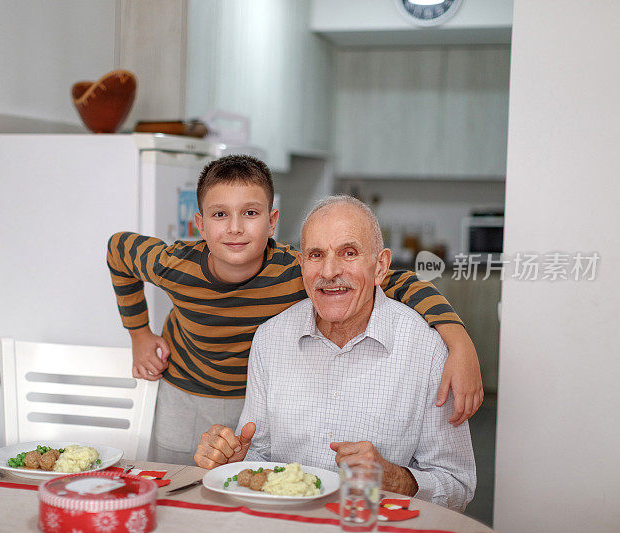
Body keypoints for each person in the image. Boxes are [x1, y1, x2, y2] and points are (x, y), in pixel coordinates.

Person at [106, 155, 482, 465]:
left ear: (272, 222)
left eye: (250, 213)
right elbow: (117, 249)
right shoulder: (174, 264)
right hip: (185, 391)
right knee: (182, 488)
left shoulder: (298, 269)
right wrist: (139, 334)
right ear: (200, 225)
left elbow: (393, 281)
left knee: (239, 480)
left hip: (251, 399)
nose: (235, 228)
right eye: (220, 215)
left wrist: (459, 341)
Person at [193, 195, 476, 511]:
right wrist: (237, 462)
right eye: (316, 255)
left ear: (380, 266)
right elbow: (261, 454)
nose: (329, 271)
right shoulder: (270, 339)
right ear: (302, 266)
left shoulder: (427, 348)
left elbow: (459, 486)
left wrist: (397, 479)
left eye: (349, 253)